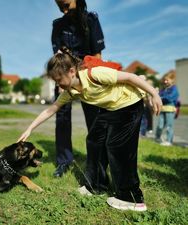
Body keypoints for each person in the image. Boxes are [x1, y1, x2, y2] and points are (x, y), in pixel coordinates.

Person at [18, 52, 162, 211]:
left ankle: (131, 197)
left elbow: (130, 78)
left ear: (72, 71)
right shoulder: (71, 91)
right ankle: (96, 185)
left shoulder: (94, 74)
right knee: (94, 140)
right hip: (110, 109)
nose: (58, 85)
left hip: (129, 104)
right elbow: (51, 109)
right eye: (55, 82)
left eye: (59, 80)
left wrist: (154, 93)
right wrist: (30, 128)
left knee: (117, 147)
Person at [51, 0, 105, 177]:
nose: (64, 11)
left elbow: (97, 55)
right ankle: (63, 161)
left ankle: (98, 159)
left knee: (94, 118)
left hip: (87, 76)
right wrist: (60, 82)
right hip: (66, 77)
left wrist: (95, 81)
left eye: (66, 5)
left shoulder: (91, 20)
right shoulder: (58, 25)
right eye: (60, 8)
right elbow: (57, 55)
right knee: (62, 118)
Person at [155, 72, 179, 146]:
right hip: (162, 109)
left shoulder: (174, 89)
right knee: (160, 125)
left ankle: (169, 141)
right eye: (164, 80)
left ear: (172, 80)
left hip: (170, 110)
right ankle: (157, 138)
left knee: (169, 125)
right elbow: (158, 96)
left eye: (167, 80)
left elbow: (170, 98)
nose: (165, 82)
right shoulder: (163, 89)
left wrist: (161, 98)